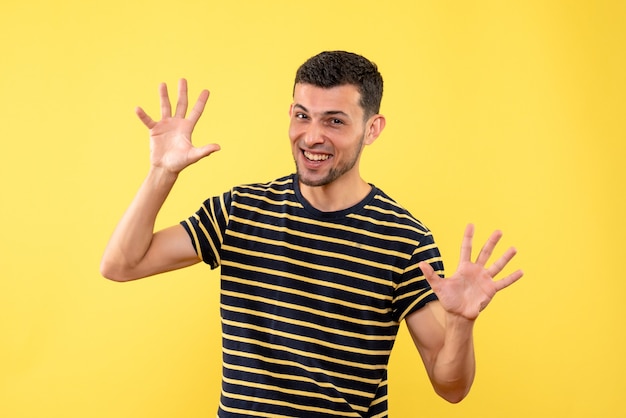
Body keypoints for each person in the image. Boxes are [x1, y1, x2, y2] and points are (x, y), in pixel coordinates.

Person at [100, 51, 523, 417]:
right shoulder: (240, 211)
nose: (312, 136)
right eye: (303, 116)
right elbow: (122, 265)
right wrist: (161, 173)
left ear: (372, 129)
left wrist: (462, 324)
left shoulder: (404, 240)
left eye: (334, 121)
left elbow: (450, 387)